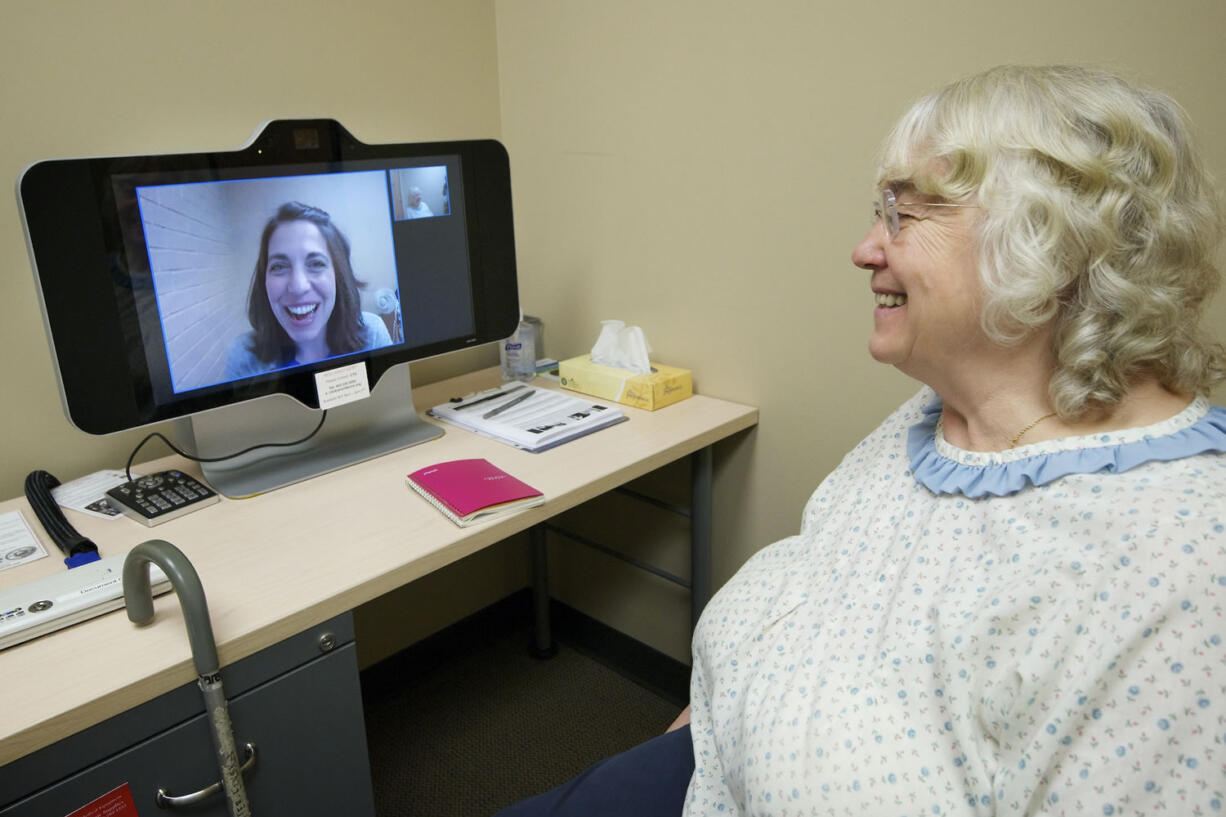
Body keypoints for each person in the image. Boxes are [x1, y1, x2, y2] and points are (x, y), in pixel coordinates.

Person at [495, 65, 1226, 816]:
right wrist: (694, 730)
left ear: (1054, 245)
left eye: (903, 215)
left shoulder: (1186, 563)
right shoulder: (940, 417)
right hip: (703, 759)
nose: (865, 249)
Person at [225, 202, 391, 379]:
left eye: (316, 264)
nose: (298, 286)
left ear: (338, 275)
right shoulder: (244, 356)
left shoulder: (372, 335)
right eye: (279, 266)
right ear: (263, 280)